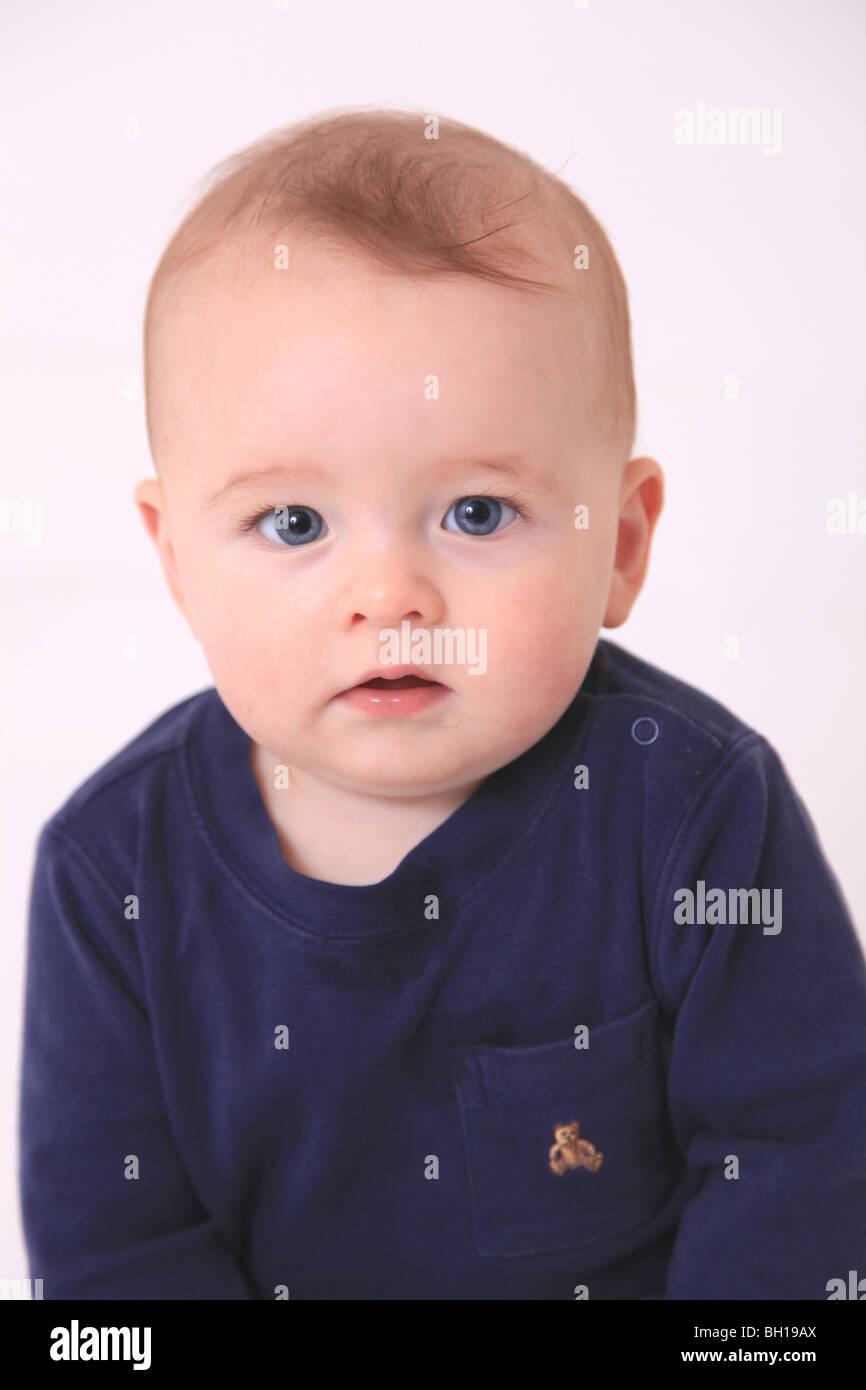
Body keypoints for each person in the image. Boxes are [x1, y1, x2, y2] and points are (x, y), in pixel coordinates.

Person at [19, 106, 866, 1299]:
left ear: (618, 545)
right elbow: (116, 1249)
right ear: (176, 562)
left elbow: (801, 1159)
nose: (387, 595)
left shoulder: (694, 812)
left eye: (475, 513)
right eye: (293, 523)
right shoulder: (111, 871)